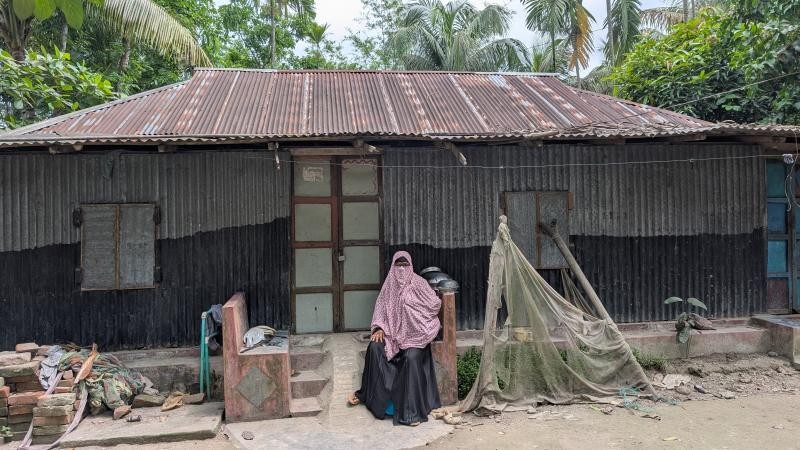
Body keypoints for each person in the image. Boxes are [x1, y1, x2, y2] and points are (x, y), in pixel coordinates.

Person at [347, 251, 442, 426]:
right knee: (374, 347)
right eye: (398, 265)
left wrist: (415, 314)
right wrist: (379, 328)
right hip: (392, 336)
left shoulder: (419, 283)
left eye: (405, 265)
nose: (402, 269)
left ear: (410, 266)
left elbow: (434, 305)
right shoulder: (388, 286)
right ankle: (371, 397)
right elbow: (380, 310)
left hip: (416, 336)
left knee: (410, 358)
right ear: (393, 266)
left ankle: (411, 414)